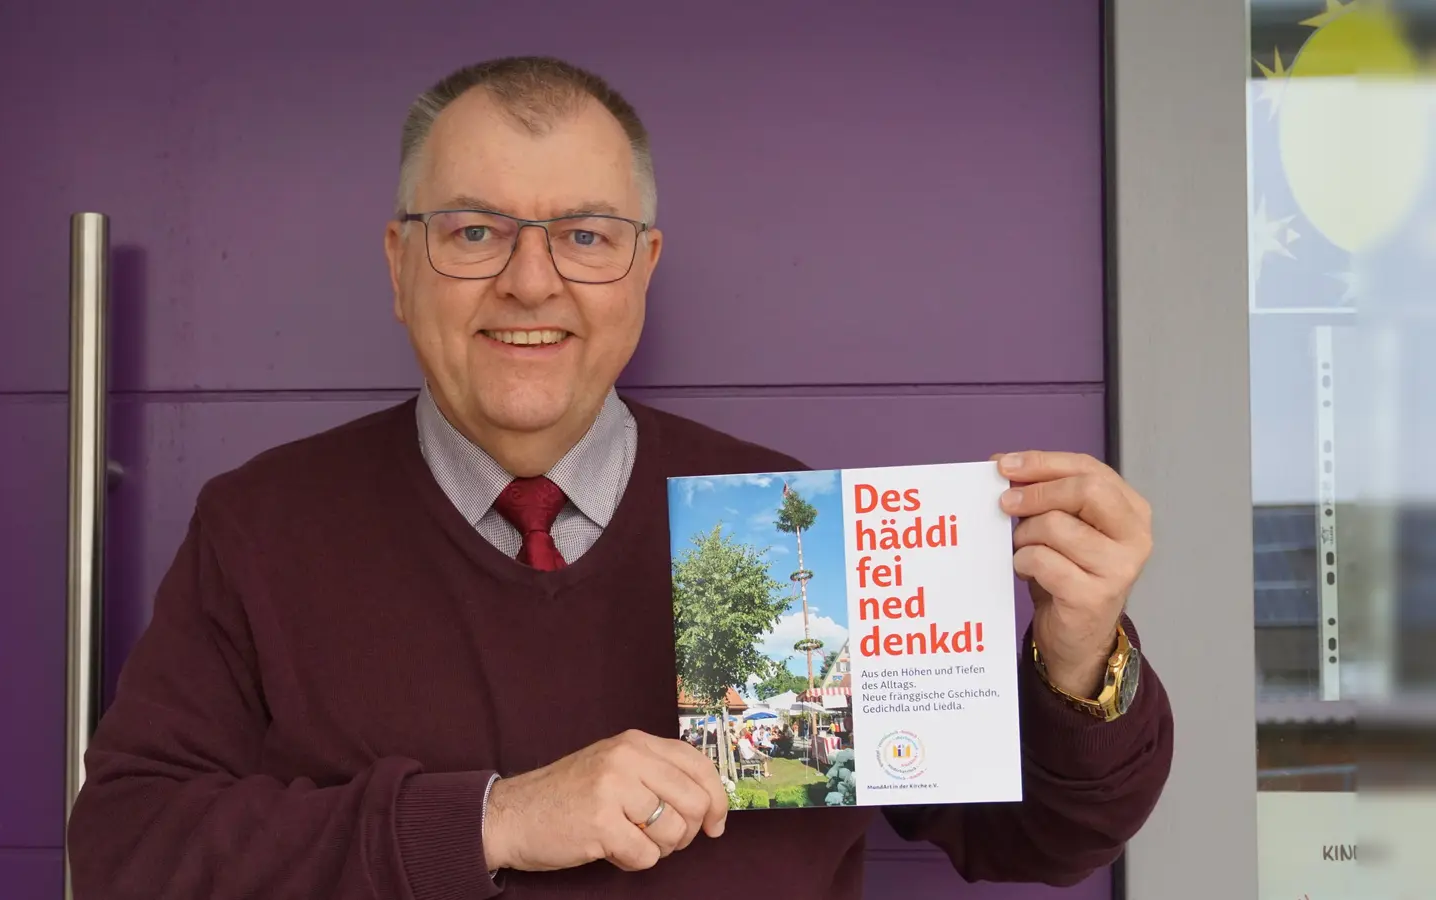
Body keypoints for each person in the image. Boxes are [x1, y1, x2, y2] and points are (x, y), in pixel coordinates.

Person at [66, 55, 1173, 899]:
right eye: (473, 232)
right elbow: (126, 850)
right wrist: (489, 821)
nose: (530, 281)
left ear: (641, 270)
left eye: (584, 236)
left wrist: (1080, 667)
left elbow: (1036, 840)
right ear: (400, 267)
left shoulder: (791, 527)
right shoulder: (264, 530)